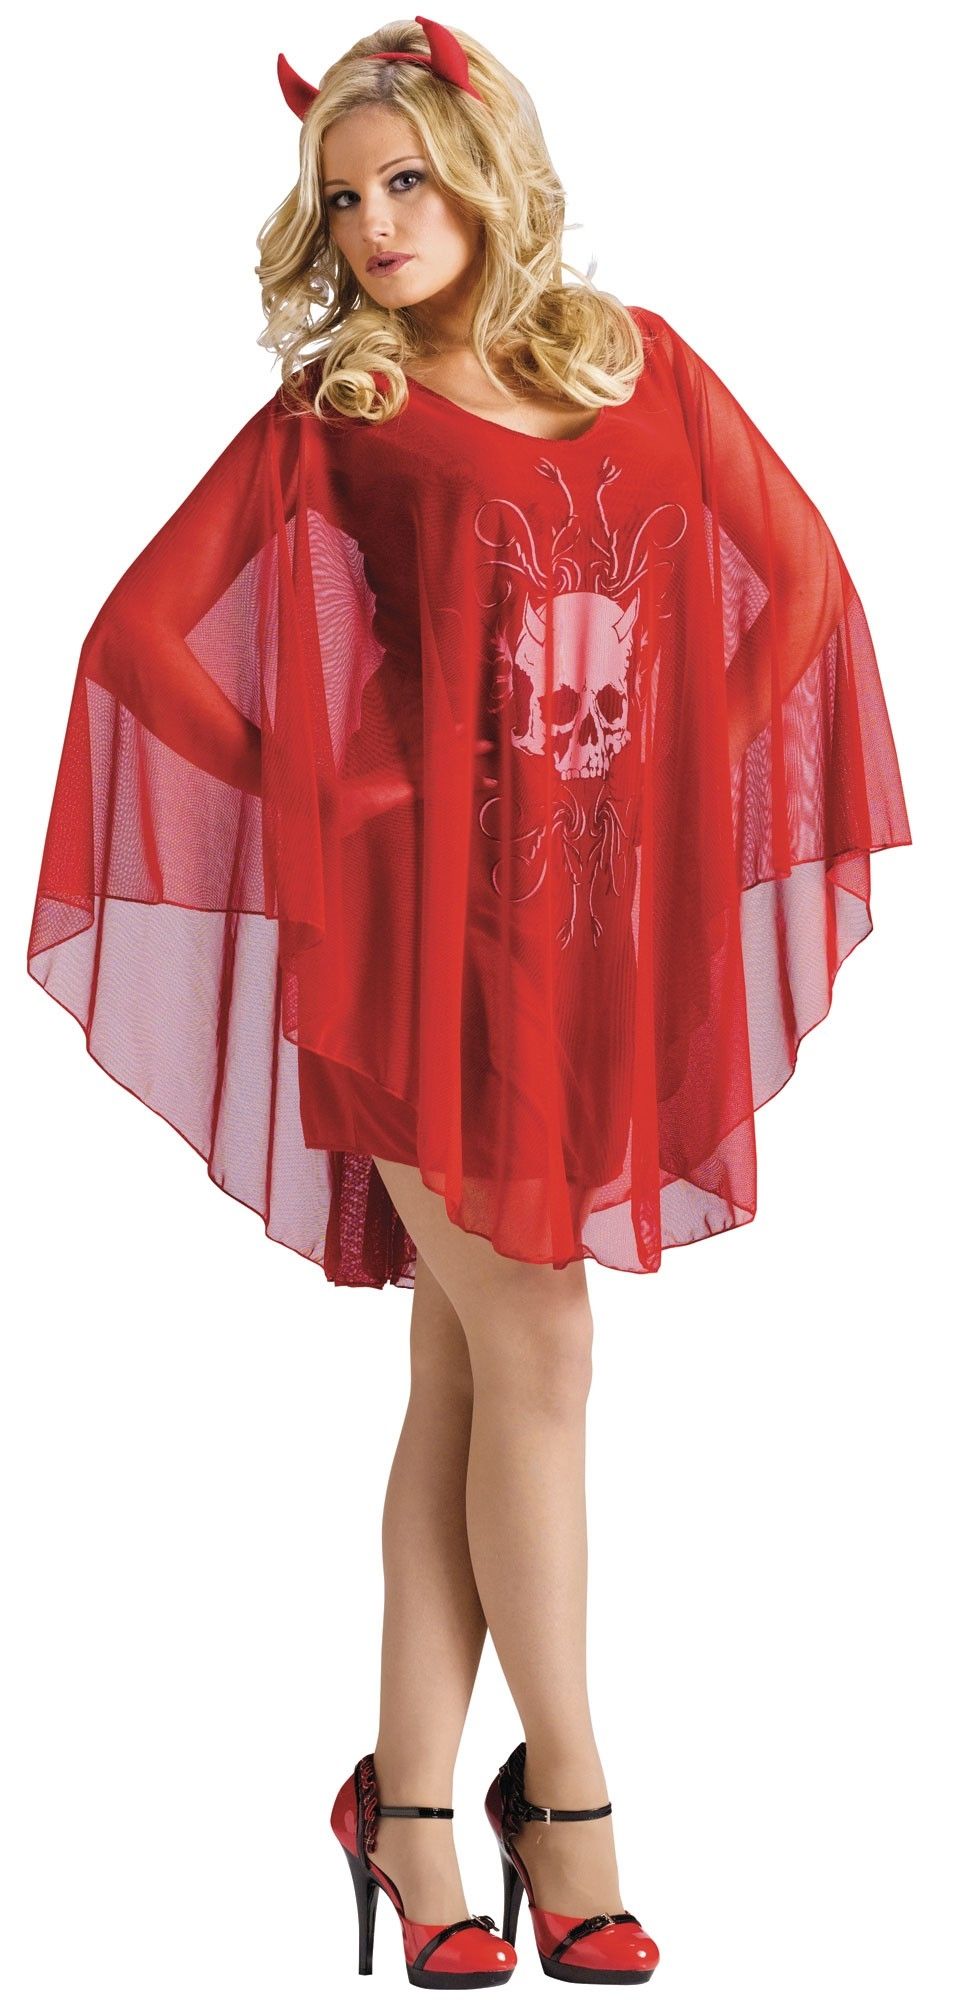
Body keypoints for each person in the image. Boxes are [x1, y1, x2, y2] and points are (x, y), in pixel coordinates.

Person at [26, 17, 911, 1989]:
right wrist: (339, 798)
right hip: (411, 958)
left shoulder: (645, 365)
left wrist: (672, 791)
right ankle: (568, 1798)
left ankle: (405, 1801)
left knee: (465, 1377)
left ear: (486, 167)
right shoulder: (340, 411)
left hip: (585, 956)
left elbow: (801, 595)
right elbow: (143, 644)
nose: (372, 222)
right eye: (343, 196)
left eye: (404, 178)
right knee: (548, 1345)